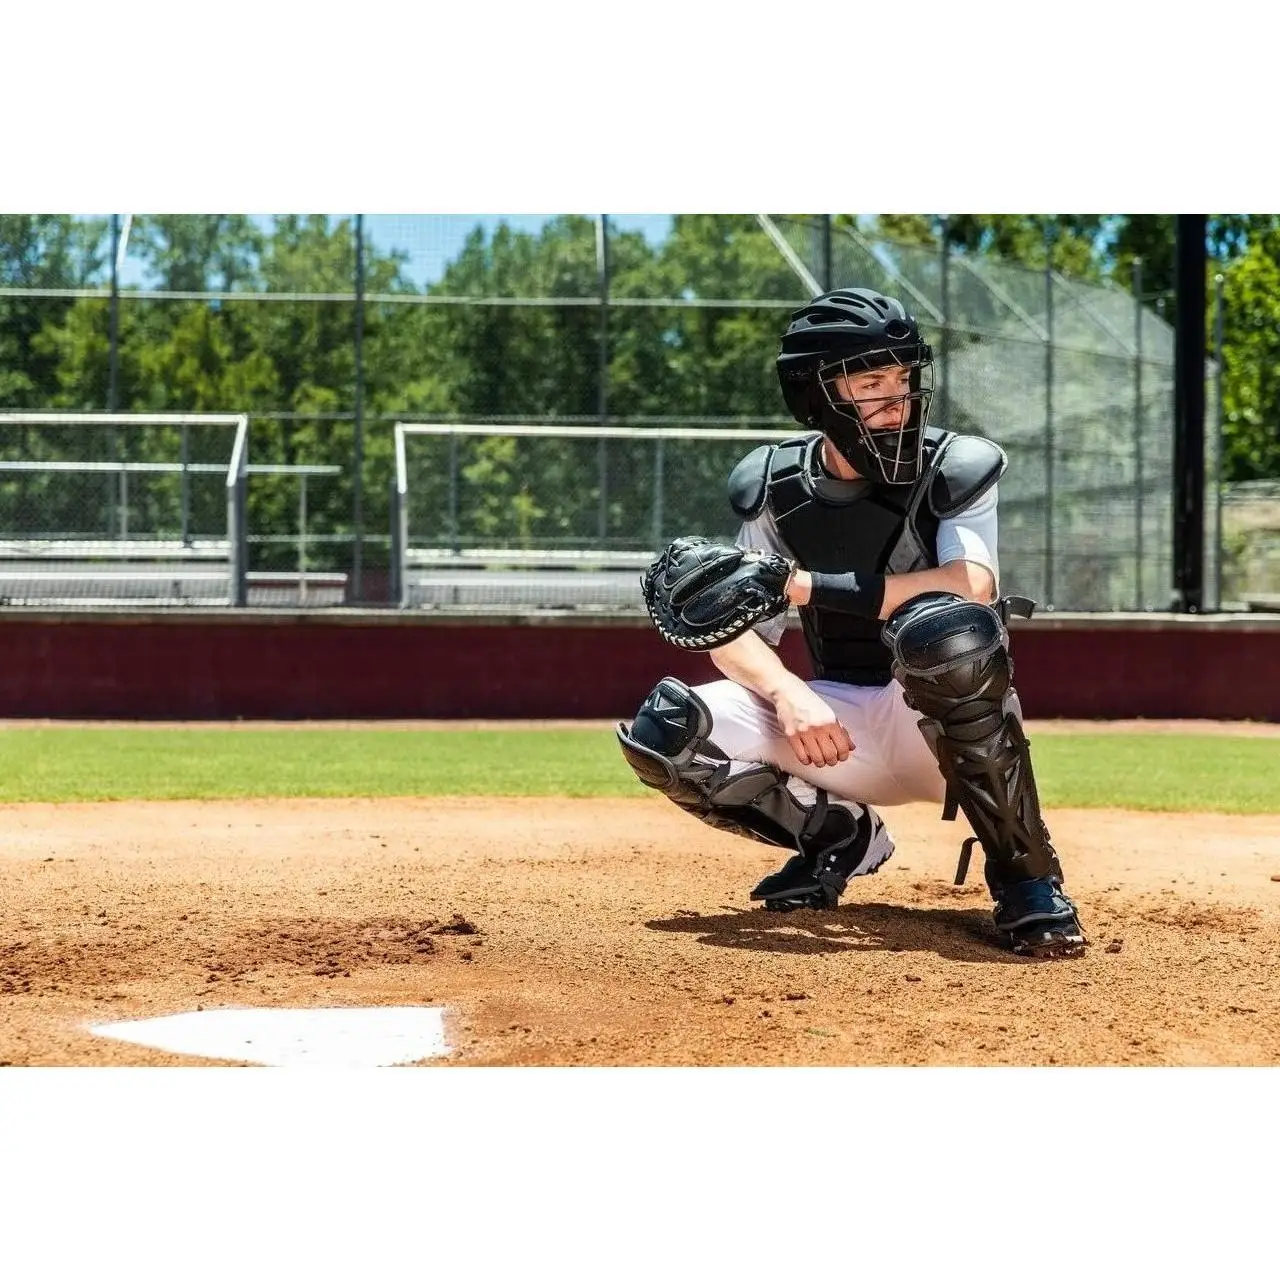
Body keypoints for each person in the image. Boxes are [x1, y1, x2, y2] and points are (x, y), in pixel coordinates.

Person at [616, 288, 1086, 959]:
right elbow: (735, 630)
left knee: (947, 632)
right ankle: (838, 834)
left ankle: (1026, 878)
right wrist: (787, 692)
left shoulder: (956, 466)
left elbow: (972, 585)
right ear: (817, 395)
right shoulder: (775, 487)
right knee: (665, 731)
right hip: (837, 730)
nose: (898, 400)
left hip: (941, 733)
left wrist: (801, 584)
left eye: (904, 378)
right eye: (871, 383)